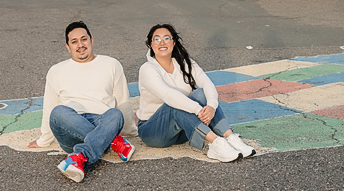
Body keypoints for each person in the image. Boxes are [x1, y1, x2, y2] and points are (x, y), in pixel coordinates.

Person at [28, 21, 138, 182]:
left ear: (91, 40)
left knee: (115, 113)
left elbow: (122, 101)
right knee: (59, 112)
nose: (80, 45)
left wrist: (131, 129)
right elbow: (49, 107)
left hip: (102, 120)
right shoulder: (56, 71)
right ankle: (112, 141)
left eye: (83, 39)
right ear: (68, 47)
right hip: (70, 128)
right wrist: (43, 140)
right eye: (74, 41)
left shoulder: (111, 64)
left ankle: (79, 157)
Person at [136, 23, 255, 163]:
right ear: (151, 44)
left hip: (182, 130)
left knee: (201, 94)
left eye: (166, 38)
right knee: (174, 105)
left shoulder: (185, 63)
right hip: (153, 131)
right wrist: (199, 110)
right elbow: (168, 95)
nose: (162, 42)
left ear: (173, 42)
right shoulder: (147, 69)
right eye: (156, 39)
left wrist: (211, 106)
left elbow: (207, 84)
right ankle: (216, 143)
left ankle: (230, 137)